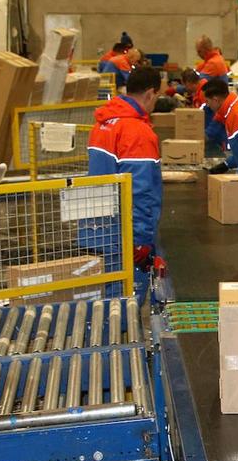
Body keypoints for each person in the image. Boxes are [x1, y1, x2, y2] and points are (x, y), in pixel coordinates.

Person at [79, 66, 162, 305]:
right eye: (157, 96)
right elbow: (139, 192)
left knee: (107, 301)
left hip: (97, 227)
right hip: (124, 235)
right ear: (149, 93)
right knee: (126, 306)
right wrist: (140, 241)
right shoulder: (136, 131)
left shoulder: (104, 123)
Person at [181, 68, 226, 150]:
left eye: (185, 85)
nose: (186, 88)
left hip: (214, 137)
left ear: (188, 82)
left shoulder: (203, 93)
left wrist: (205, 134)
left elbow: (209, 115)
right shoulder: (201, 91)